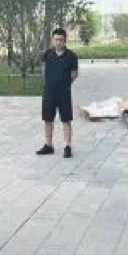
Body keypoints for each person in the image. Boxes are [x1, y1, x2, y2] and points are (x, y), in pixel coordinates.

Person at [36, 27, 79, 158]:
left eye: (61, 40)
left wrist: (65, 84)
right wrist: (49, 83)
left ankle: (67, 146)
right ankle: (48, 145)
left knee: (66, 120)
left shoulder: (71, 56)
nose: (58, 42)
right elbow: (43, 70)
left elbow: (74, 74)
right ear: (52, 40)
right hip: (49, 93)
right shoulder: (47, 54)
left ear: (65, 40)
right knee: (47, 120)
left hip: (64, 93)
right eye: (56, 40)